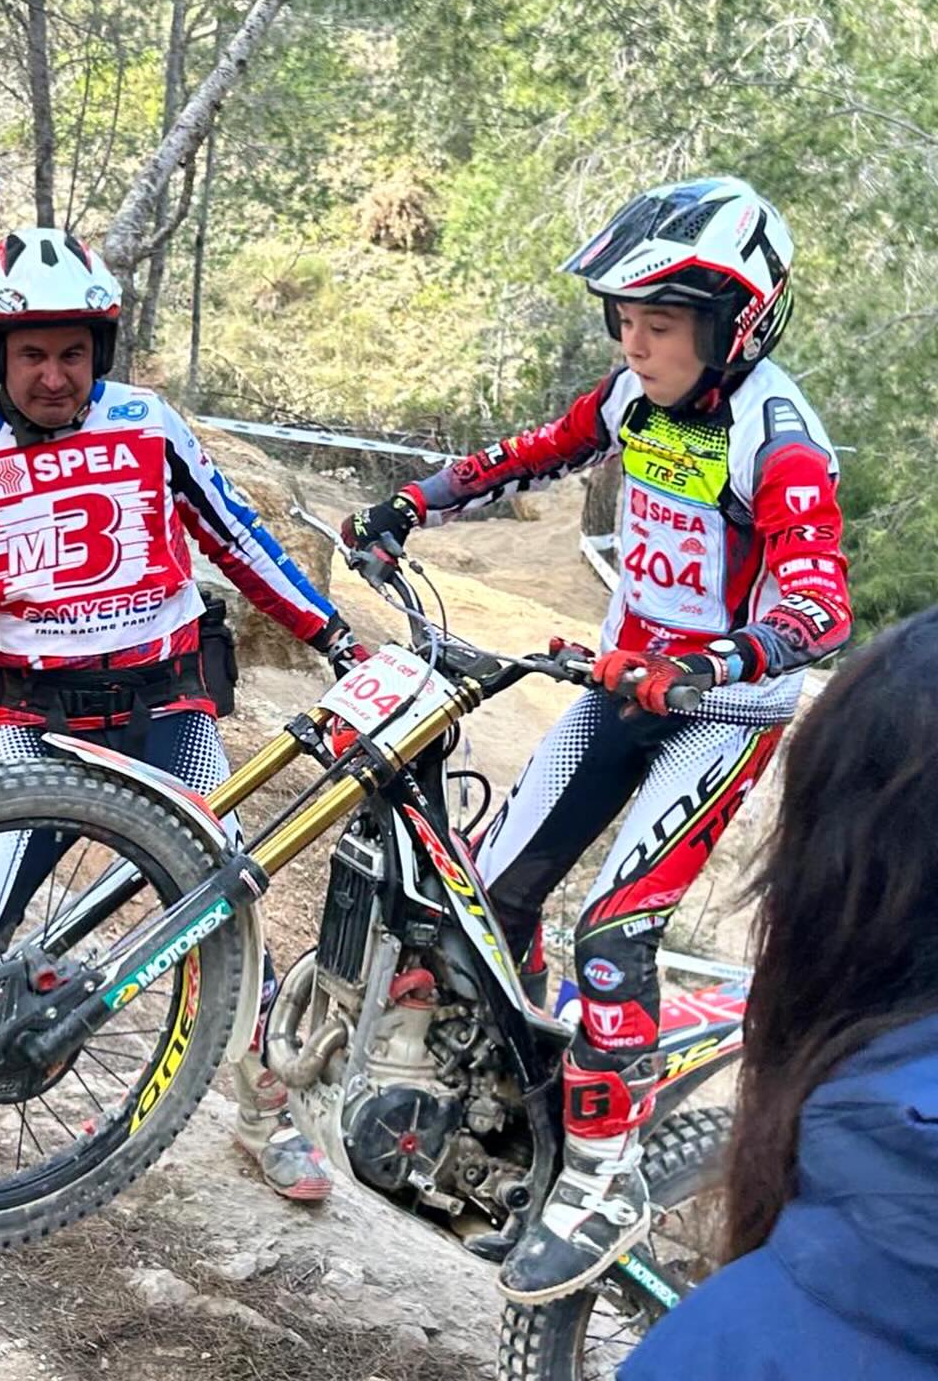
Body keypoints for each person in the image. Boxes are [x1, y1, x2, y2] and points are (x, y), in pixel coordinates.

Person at [343, 177, 853, 1301]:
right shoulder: (633, 397)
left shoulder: (780, 441)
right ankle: (509, 1101)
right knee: (486, 898)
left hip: (717, 717)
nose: (634, 344)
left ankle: (606, 1174)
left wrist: (708, 665)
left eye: (658, 325)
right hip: (620, 684)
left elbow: (820, 610)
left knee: (616, 932)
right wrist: (417, 500)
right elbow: (533, 451)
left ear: (737, 327)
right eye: (623, 321)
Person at [0, 226, 362, 1201]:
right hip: (40, 728)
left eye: (74, 353)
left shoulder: (149, 426)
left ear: (103, 350)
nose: (54, 375)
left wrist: (332, 633)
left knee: (229, 913)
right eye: (33, 354)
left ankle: (264, 1116)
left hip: (168, 712)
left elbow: (241, 536)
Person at [621, 608, 938, 1380]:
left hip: (717, 700)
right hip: (648, 677)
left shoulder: (733, 1350)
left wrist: (730, 657)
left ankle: (591, 1157)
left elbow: (813, 593)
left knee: (619, 930)